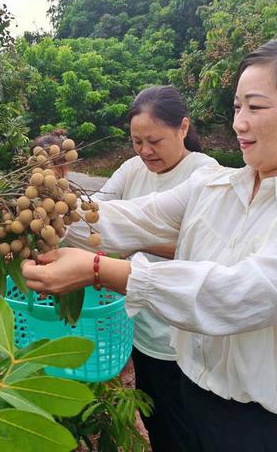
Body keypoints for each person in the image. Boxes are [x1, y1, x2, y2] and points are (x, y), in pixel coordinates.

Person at [21, 32, 277, 451]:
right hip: (196, 397)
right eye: (237, 107)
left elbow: (238, 294)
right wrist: (28, 212)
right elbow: (124, 219)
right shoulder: (213, 185)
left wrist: (99, 271)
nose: (239, 122)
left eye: (255, 107)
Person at [73, 85, 217, 448]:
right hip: (142, 323)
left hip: (185, 329)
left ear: (183, 128)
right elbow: (95, 213)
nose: (145, 151)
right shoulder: (132, 169)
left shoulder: (205, 174)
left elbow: (199, 250)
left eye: (154, 140)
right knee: (157, 421)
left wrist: (130, 240)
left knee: (188, 428)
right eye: (137, 142)